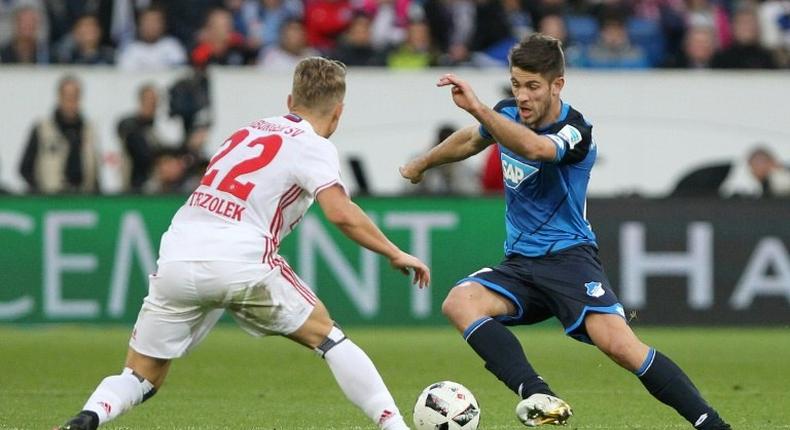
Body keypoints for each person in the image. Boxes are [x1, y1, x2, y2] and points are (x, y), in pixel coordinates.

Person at [55, 57, 429, 430]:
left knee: (141, 374)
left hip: (178, 255)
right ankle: (394, 426)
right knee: (329, 338)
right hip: (242, 261)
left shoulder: (245, 133)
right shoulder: (313, 145)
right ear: (339, 112)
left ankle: (88, 418)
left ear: (289, 101)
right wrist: (393, 251)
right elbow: (341, 213)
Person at [399, 34, 731, 429]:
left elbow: (537, 150)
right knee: (459, 302)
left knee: (621, 347)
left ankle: (712, 425)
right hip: (521, 265)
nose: (523, 96)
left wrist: (480, 110)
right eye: (517, 84)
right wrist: (422, 163)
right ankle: (537, 394)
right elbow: (472, 139)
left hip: (570, 261)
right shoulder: (505, 113)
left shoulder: (576, 129)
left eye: (533, 87)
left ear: (558, 85)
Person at [19, 75, 99, 194]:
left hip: (83, 199)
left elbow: (95, 170)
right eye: (67, 97)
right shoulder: (42, 128)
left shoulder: (88, 129)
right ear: (59, 97)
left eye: (75, 97)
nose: (71, 102)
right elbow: (25, 168)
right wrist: (39, 191)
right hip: (51, 200)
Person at [117, 84, 166, 193]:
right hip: (134, 186)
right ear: (141, 100)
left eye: (155, 101)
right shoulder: (130, 126)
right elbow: (144, 155)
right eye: (150, 100)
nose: (153, 104)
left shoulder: (152, 129)